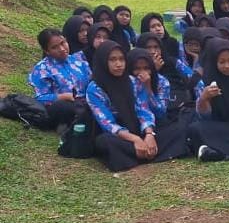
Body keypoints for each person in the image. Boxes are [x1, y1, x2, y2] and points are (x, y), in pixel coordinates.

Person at [87, 41, 189, 171]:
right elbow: (107, 123)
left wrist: (149, 134)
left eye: (121, 59)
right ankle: (149, 153)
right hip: (119, 135)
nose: (118, 64)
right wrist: (135, 139)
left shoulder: (133, 82)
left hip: (138, 129)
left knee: (178, 129)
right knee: (105, 142)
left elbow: (143, 110)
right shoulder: (95, 89)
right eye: (112, 60)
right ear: (103, 61)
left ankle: (140, 154)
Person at [28, 28, 92, 130]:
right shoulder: (42, 69)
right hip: (64, 105)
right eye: (55, 47)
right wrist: (62, 96)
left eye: (63, 43)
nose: (62, 49)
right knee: (64, 108)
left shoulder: (78, 61)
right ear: (46, 51)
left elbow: (91, 82)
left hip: (85, 102)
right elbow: (40, 98)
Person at [135, 32, 195, 113]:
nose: (153, 51)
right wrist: (154, 71)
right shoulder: (134, 67)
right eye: (147, 48)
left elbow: (194, 77)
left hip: (179, 104)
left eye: (156, 47)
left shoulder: (172, 62)